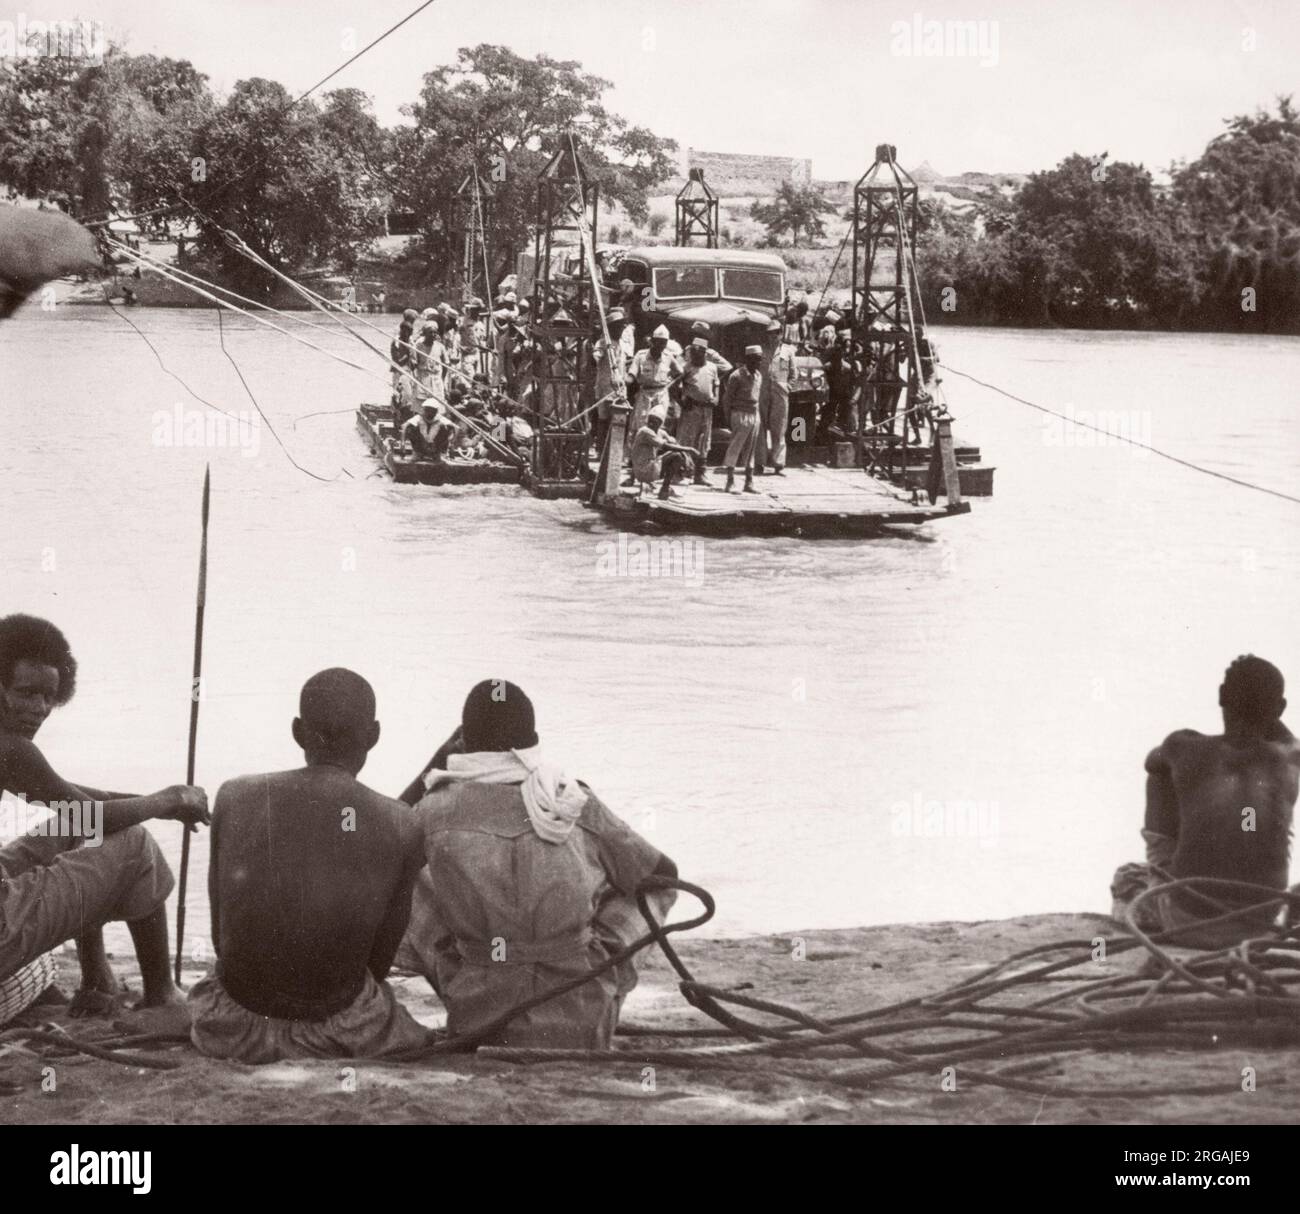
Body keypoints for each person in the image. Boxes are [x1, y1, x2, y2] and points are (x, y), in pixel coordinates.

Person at [396, 680, 677, 1048]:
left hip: (481, 1014)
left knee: (406, 881)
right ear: (534, 742)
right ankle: (602, 987)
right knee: (645, 887)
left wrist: (435, 764)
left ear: (462, 744)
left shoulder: (433, 810)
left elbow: (378, 843)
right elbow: (663, 874)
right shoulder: (570, 800)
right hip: (583, 1014)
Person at [189, 668, 429, 1063]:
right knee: (412, 1034)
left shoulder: (235, 795)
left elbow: (221, 937)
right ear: (373, 736)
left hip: (232, 1027)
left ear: (298, 732)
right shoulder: (403, 822)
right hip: (339, 1030)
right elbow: (378, 964)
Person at [0, 614, 208, 1014]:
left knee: (69, 826)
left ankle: (97, 980)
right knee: (132, 841)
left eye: (48, 698)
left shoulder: (13, 753)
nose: (39, 709)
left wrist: (163, 803)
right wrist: (167, 799)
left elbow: (68, 799)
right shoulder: (11, 748)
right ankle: (162, 996)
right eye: (26, 694)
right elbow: (90, 816)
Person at [1110, 656, 1300, 947]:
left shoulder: (1182, 746)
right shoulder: (1291, 757)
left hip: (1187, 921)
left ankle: (1161, 871)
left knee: (1127, 877)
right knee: (1255, 812)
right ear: (1280, 709)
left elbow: (1152, 763)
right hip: (1260, 922)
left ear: (1222, 696)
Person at [626, 325, 682, 454]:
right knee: (641, 424)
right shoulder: (641, 355)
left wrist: (671, 384)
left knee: (660, 424)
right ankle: (637, 455)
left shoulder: (668, 356)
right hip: (645, 393)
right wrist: (624, 382)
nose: (661, 345)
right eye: (658, 342)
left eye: (664, 343)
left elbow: (680, 372)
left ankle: (655, 453)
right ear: (652, 341)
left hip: (661, 393)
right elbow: (632, 375)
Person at [720, 344, 763, 494]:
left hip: (754, 414)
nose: (758, 363)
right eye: (755, 360)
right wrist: (728, 418)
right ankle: (730, 481)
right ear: (748, 359)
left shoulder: (758, 375)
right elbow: (727, 399)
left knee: (751, 449)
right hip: (740, 413)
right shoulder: (736, 376)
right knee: (735, 446)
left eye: (759, 360)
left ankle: (749, 482)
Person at [630, 405, 698, 499]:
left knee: (679, 453)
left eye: (655, 421)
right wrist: (688, 450)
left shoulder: (659, 432)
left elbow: (673, 442)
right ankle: (664, 490)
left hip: (650, 468)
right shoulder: (645, 431)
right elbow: (666, 446)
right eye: (650, 420)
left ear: (660, 423)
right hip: (644, 470)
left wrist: (684, 453)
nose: (651, 423)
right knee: (677, 456)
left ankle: (667, 487)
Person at [677, 338, 720, 485]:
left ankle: (700, 474)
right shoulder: (685, 367)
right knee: (686, 440)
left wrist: (716, 398)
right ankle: (683, 472)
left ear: (704, 353)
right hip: (691, 409)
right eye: (693, 352)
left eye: (698, 352)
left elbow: (716, 384)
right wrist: (681, 402)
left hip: (707, 409)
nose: (695, 355)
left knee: (704, 441)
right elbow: (674, 386)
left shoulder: (712, 367)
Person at [758, 319, 795, 475]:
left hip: (780, 392)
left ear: (781, 334)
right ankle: (759, 462)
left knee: (779, 427)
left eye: (775, 333)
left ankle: (778, 463)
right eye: (770, 334)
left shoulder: (788, 351)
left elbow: (793, 373)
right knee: (760, 427)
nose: (772, 337)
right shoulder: (761, 350)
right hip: (762, 391)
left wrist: (788, 386)